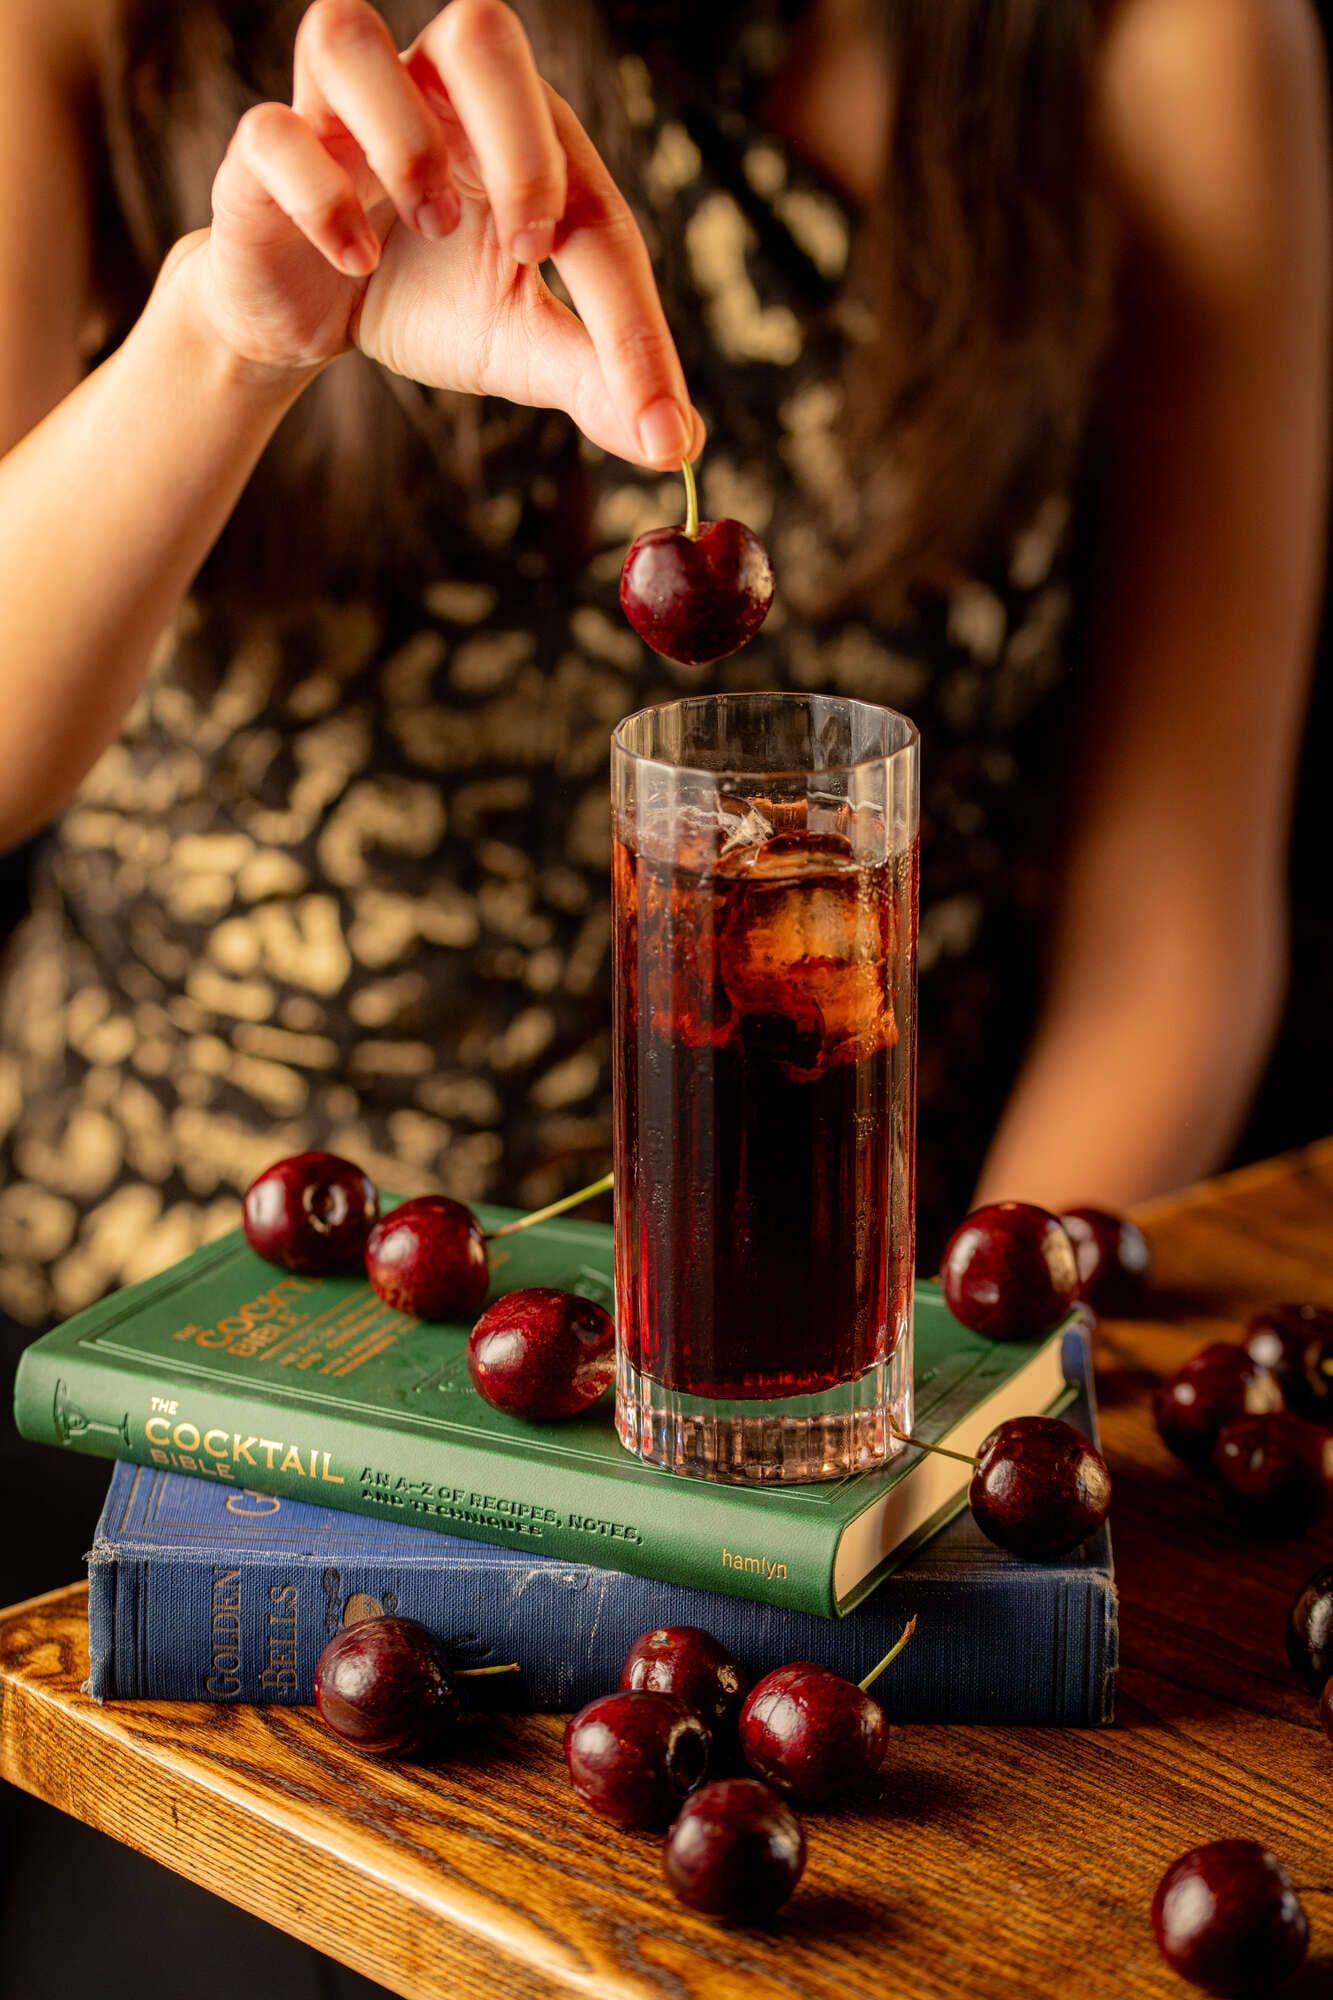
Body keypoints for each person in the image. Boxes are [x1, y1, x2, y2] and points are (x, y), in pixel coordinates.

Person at [0, 1, 1327, 1990]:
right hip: (204, 1418)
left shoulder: (1168, 35)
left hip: (837, 1405)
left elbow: (1175, 923)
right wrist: (227, 336)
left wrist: (925, 1461)